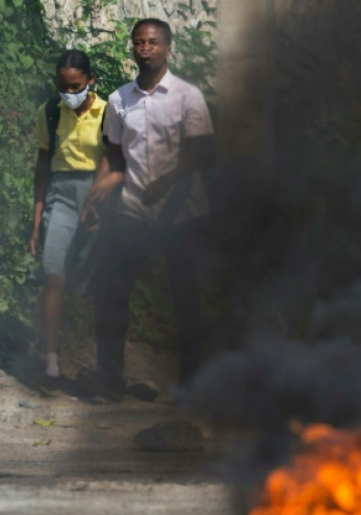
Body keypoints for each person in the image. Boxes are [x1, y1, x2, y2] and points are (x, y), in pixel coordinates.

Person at [79, 18, 214, 402]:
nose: (145, 48)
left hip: (182, 212)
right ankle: (109, 379)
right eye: (138, 42)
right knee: (112, 289)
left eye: (152, 42)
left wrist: (168, 180)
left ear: (168, 47)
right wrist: (95, 194)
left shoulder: (188, 96)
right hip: (135, 209)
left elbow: (203, 151)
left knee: (185, 296)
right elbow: (114, 156)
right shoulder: (120, 100)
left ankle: (194, 384)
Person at [29, 49, 108, 385]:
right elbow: (43, 165)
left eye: (75, 85)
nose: (69, 92)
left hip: (99, 194)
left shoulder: (108, 112)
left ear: (90, 80)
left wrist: (101, 198)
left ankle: (103, 366)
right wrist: (37, 218)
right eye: (63, 85)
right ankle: (51, 363)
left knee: (99, 282)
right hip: (60, 195)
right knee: (53, 274)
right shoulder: (50, 111)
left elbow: (116, 158)